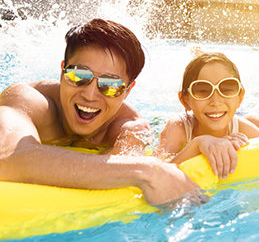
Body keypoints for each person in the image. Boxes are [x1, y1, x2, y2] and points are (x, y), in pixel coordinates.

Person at [0, 18, 200, 206]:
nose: (89, 94)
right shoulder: (28, 100)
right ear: (62, 73)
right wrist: (147, 170)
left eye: (110, 85)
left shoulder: (130, 127)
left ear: (128, 91)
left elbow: (118, 171)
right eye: (79, 74)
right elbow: (6, 156)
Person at [156, 52, 259, 179]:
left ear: (240, 98)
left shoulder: (241, 128)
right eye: (202, 90)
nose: (216, 102)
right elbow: (155, 172)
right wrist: (197, 145)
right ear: (185, 101)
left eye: (227, 88)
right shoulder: (180, 126)